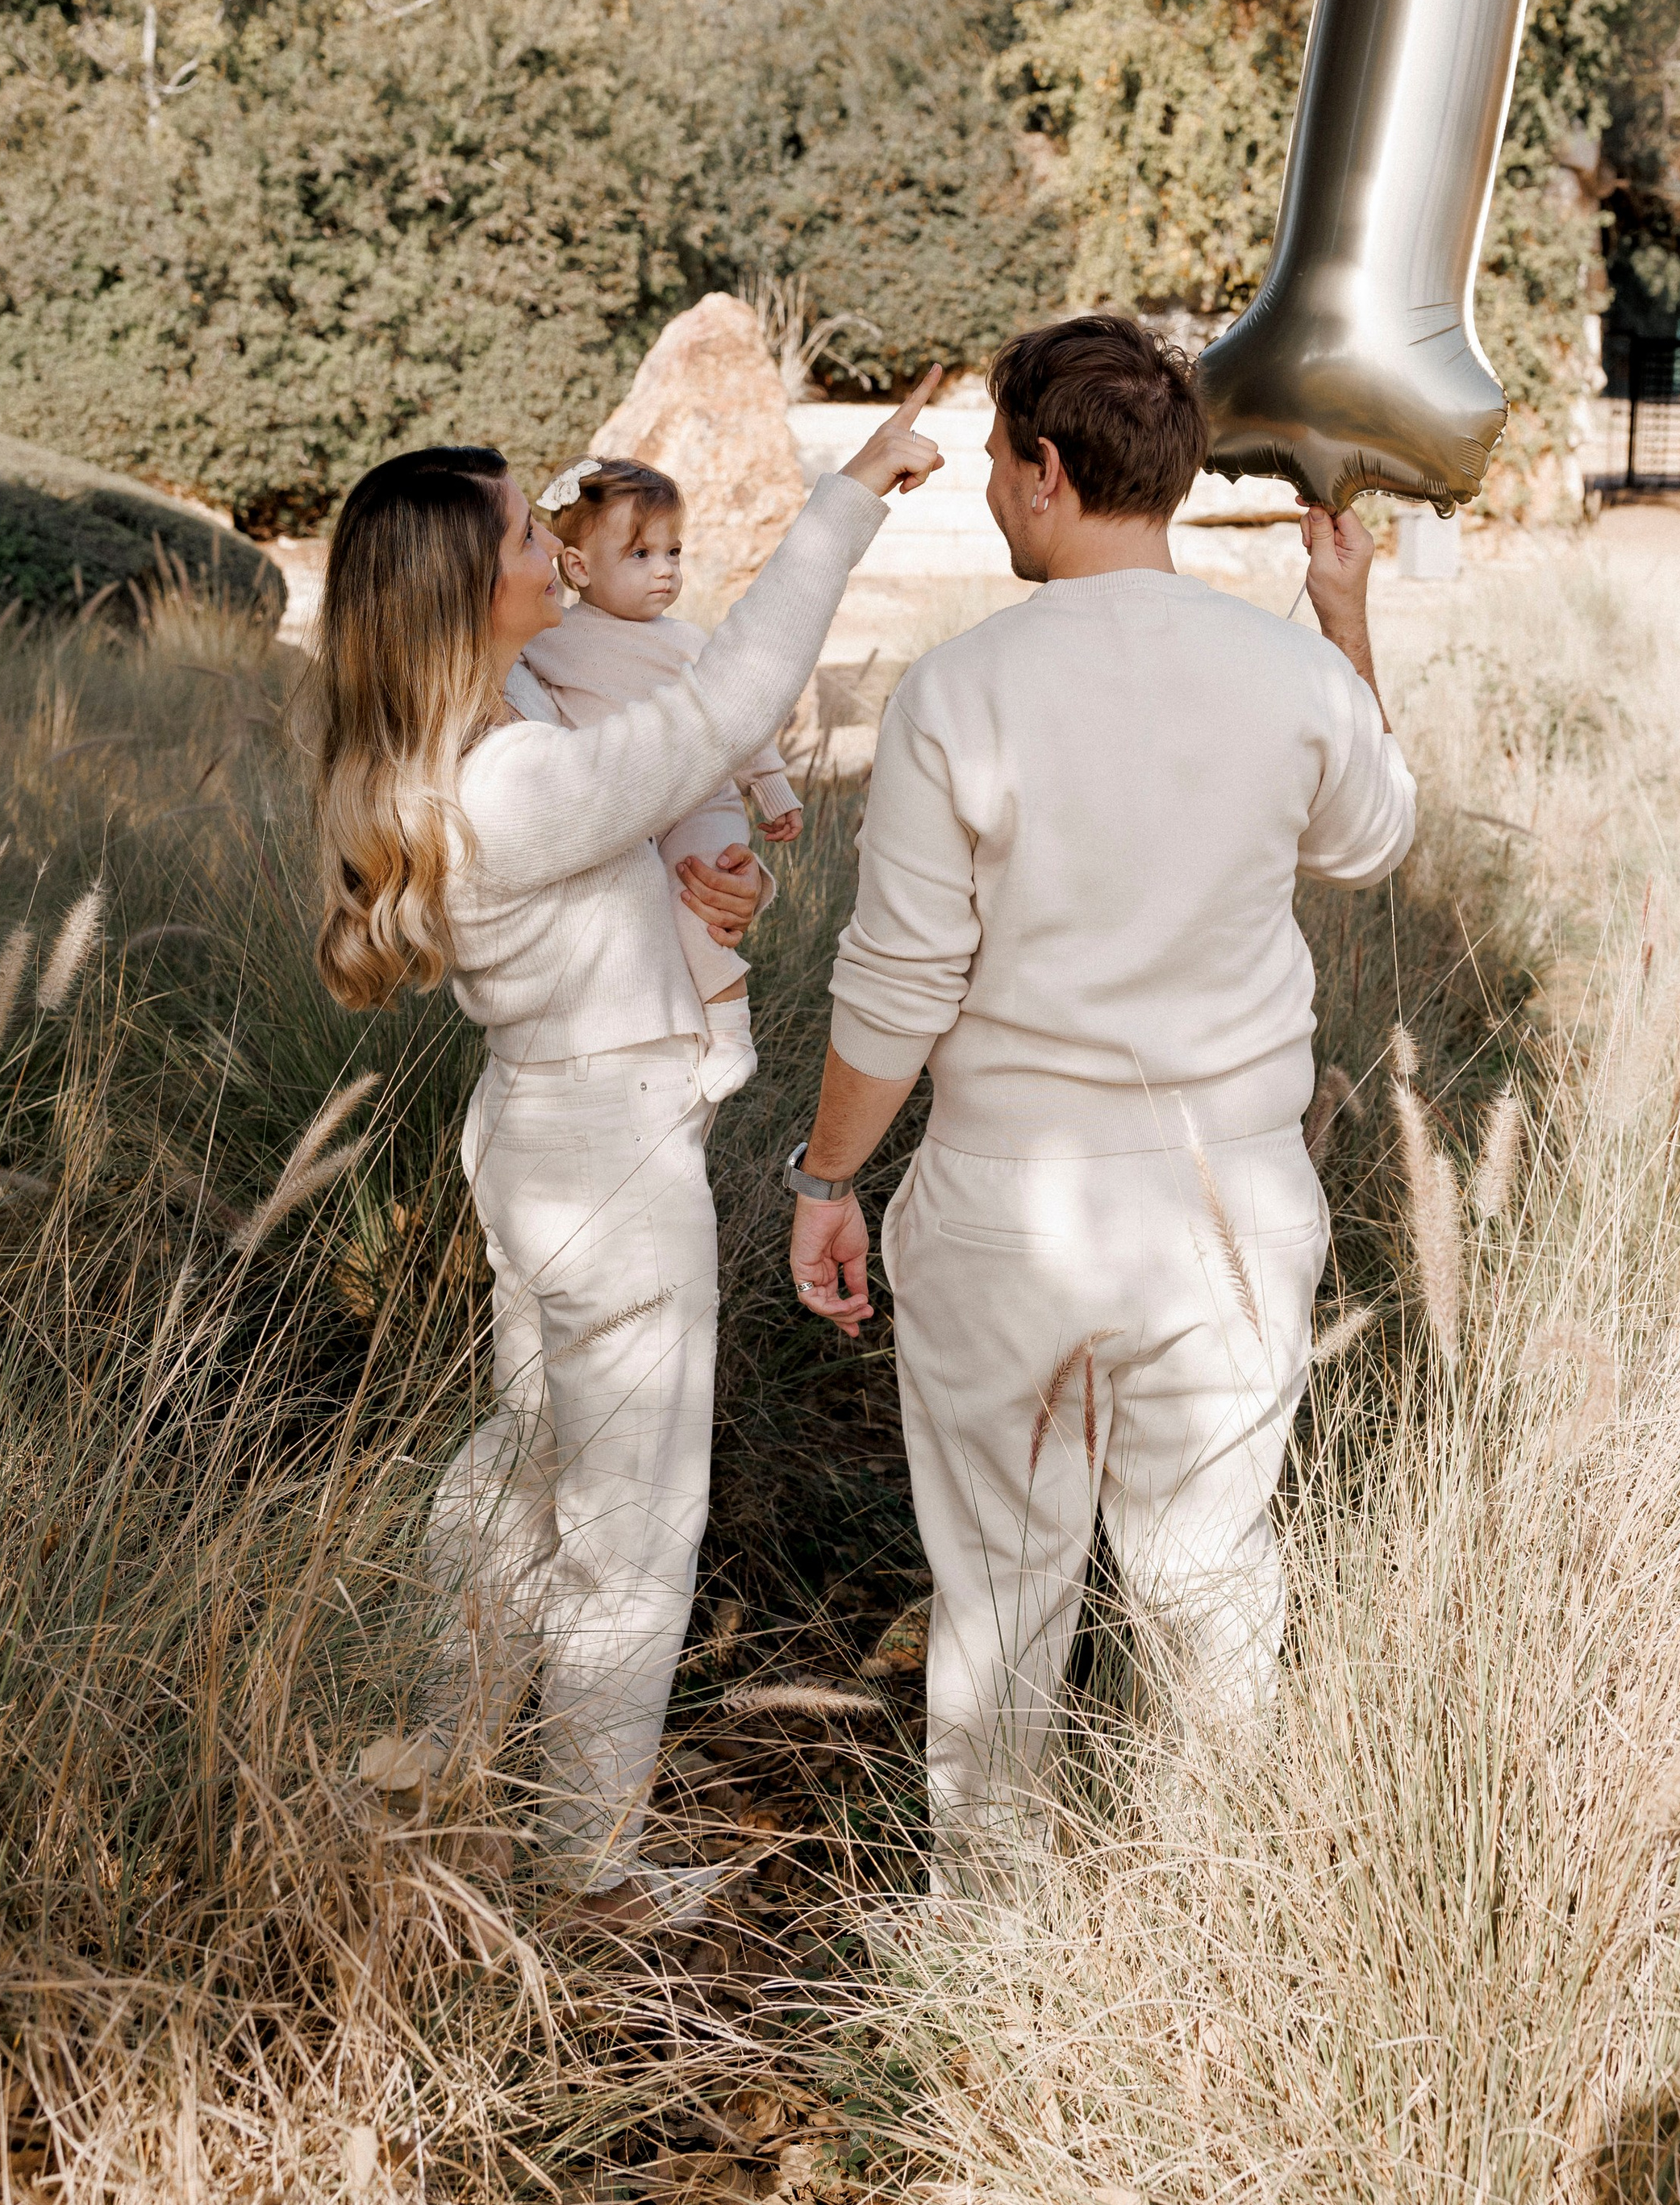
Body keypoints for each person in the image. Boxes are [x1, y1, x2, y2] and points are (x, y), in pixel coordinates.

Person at [781, 315, 1415, 1882]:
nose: (994, 491)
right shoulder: (1284, 678)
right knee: (1208, 1579)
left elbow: (898, 985)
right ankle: (1214, 1918)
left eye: (1000, 461)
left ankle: (996, 1938)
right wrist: (1339, 618)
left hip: (1013, 1205)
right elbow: (1369, 840)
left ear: (1047, 470)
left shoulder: (957, 692)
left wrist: (823, 1180)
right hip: (1232, 1202)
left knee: (1002, 1594)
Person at [308, 377, 943, 1925]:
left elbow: (661, 822)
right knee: (635, 1523)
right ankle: (581, 1864)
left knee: (527, 1464)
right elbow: (724, 708)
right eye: (529, 530)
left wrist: (709, 894)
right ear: (474, 590)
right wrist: (848, 495)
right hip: (602, 1157)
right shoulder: (514, 775)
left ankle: (442, 1753)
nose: (552, 543)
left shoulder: (500, 725)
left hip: (543, 1135)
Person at [527, 456, 803, 1105]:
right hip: (619, 812)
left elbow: (739, 714)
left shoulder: (686, 642)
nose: (666, 570)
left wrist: (772, 789)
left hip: (697, 803)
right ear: (578, 567)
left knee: (694, 895)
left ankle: (731, 1028)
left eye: (673, 551)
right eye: (642, 553)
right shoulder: (550, 641)